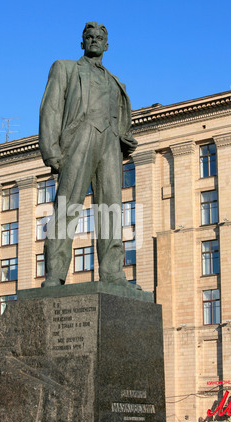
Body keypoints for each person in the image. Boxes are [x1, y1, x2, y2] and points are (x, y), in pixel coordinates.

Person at [39, 22, 139, 288]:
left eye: (99, 38)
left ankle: (113, 273)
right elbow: (50, 110)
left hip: (109, 144)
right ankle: (55, 273)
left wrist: (123, 137)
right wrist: (51, 151)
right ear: (81, 42)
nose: (94, 40)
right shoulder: (65, 68)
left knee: (111, 209)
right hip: (79, 140)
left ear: (107, 45)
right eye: (89, 37)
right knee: (68, 206)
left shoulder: (116, 81)